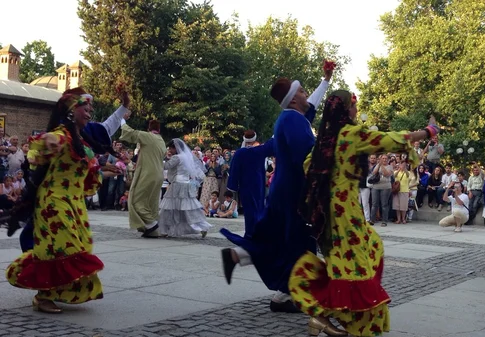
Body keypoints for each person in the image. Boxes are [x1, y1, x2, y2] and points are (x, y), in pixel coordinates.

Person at [289, 90, 439, 336]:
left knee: (362, 254)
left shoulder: (326, 139)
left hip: (330, 212)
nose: (357, 111)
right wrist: (428, 132)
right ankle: (355, 325)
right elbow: (390, 139)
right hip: (346, 213)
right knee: (357, 268)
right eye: (354, 106)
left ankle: (322, 316)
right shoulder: (351, 134)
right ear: (347, 109)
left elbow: (308, 165)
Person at [220, 61, 332, 313]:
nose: (305, 94)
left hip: (285, 190)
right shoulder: (293, 122)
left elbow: (311, 106)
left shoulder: (292, 118)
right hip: (293, 193)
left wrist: (325, 81)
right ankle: (290, 293)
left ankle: (280, 291)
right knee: (297, 243)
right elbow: (307, 155)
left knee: (283, 241)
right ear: (293, 100)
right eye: (301, 91)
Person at [5, 87, 120, 313]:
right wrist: (45, 140)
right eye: (85, 109)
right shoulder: (61, 135)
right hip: (53, 202)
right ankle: (43, 295)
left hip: (74, 205)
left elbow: (85, 177)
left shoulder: (82, 142)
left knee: (73, 248)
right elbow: (38, 144)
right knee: (60, 248)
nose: (89, 113)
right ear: (71, 111)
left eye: (91, 109)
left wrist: (103, 172)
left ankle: (55, 291)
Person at [120, 113, 166, 238]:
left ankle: (151, 224)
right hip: (158, 174)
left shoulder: (149, 137)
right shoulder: (161, 140)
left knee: (136, 200)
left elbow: (131, 133)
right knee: (151, 202)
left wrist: (122, 120)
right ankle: (152, 230)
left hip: (148, 173)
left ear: (149, 129)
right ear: (159, 129)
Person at [158, 139, 211, 238]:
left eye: (171, 148)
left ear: (175, 148)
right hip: (186, 183)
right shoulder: (187, 156)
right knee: (189, 209)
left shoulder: (177, 158)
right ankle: (202, 226)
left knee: (168, 208)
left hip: (177, 184)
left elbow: (166, 166)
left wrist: (162, 158)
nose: (169, 150)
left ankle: (165, 229)